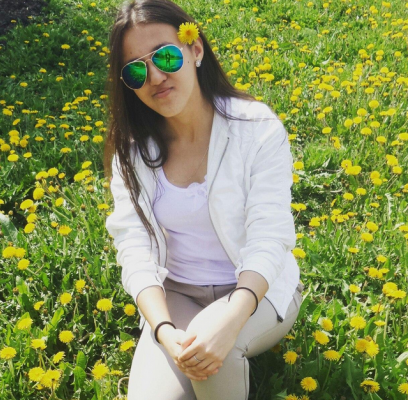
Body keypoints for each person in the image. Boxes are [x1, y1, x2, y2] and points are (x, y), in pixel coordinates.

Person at [103, 0, 304, 398]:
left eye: (165, 56)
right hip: (177, 294)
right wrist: (163, 330)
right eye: (136, 70)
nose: (155, 76)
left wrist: (231, 317)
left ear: (195, 49)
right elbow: (133, 247)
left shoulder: (256, 129)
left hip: (256, 290)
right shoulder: (132, 150)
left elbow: (270, 236)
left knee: (216, 357)